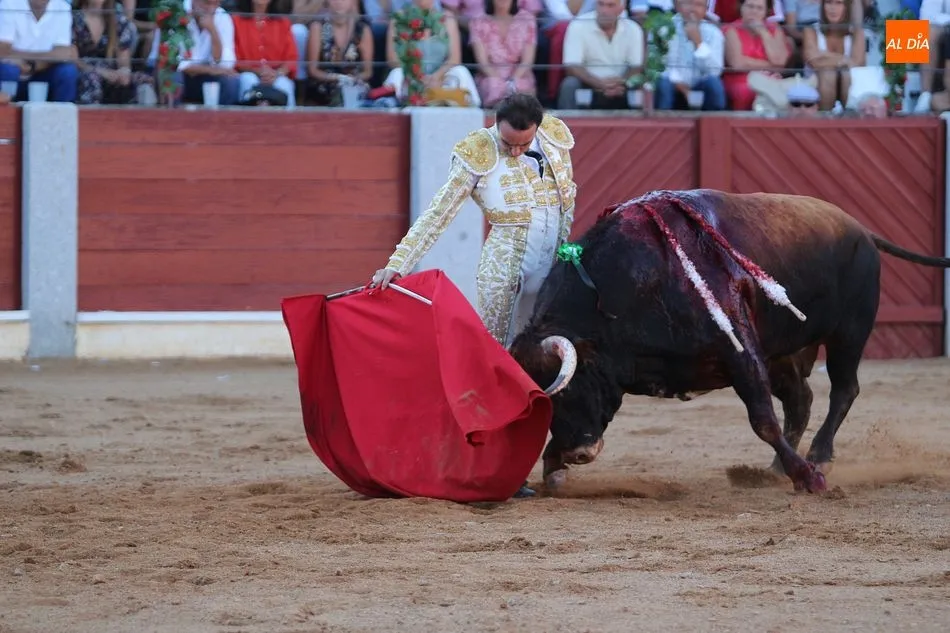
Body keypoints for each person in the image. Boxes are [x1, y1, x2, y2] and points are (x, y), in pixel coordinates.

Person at [369, 92, 578, 498]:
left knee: (555, 365)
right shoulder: (477, 152)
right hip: (506, 266)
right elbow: (438, 213)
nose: (515, 151)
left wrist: (565, 251)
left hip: (553, 267)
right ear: (496, 124)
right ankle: (496, 468)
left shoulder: (555, 137)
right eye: (508, 143)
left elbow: (566, 200)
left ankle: (559, 451)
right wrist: (399, 263)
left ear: (538, 128)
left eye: (523, 144)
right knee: (499, 367)